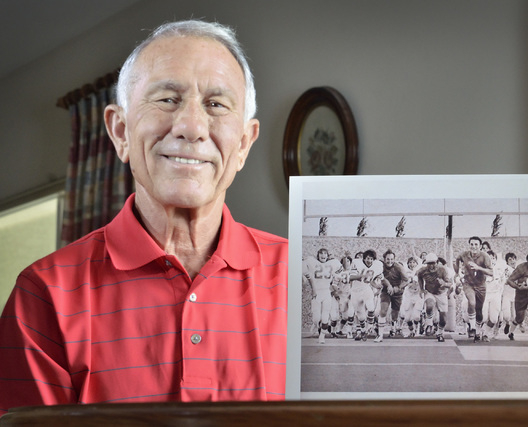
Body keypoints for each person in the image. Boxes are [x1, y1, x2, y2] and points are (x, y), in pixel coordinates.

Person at [0, 20, 288, 414]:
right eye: (168, 99)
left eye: (216, 104)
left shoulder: (303, 277)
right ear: (120, 132)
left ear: (243, 144)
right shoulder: (43, 296)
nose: (191, 127)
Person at [454, 236, 493, 341]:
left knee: (479, 310)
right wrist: (456, 273)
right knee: (472, 302)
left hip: (481, 285)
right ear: (469, 245)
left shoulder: (485, 256)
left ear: (480, 246)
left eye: (476, 244)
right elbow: (457, 259)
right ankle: (472, 327)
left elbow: (491, 272)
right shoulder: (464, 254)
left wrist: (478, 268)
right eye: (472, 244)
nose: (474, 246)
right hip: (468, 284)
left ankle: (478, 329)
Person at [302, 249, 342, 344]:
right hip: (317, 292)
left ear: (328, 255)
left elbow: (340, 272)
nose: (323, 255)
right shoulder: (312, 262)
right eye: (321, 253)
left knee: (325, 316)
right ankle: (316, 325)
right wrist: (313, 289)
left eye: (325, 253)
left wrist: (335, 284)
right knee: (316, 318)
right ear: (318, 255)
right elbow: (306, 272)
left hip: (326, 292)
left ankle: (322, 336)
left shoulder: (332, 263)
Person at [416, 253, 452, 342]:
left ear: (437, 262)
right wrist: (421, 289)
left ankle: (439, 332)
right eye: (429, 264)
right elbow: (419, 277)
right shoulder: (422, 270)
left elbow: (450, 284)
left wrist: (443, 284)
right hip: (430, 292)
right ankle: (429, 323)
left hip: (441, 293)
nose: (431, 266)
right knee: (429, 305)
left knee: (443, 319)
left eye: (433, 263)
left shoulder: (443, 270)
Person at [349, 249, 384, 341]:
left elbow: (370, 280)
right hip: (355, 292)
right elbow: (350, 277)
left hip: (366, 289)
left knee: (371, 307)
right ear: (364, 259)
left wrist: (376, 286)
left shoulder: (377, 266)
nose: (370, 261)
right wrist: (360, 276)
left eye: (371, 259)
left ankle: (370, 326)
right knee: (361, 316)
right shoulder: (356, 263)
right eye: (368, 258)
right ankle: (363, 330)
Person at [376, 249, 411, 342]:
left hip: (397, 292)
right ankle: (380, 334)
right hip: (385, 290)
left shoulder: (399, 267)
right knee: (383, 311)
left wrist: (398, 287)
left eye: (392, 259)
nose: (390, 261)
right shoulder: (381, 266)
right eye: (388, 259)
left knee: (395, 313)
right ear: (384, 259)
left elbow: (407, 280)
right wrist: (381, 286)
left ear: (394, 259)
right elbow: (379, 277)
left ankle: (393, 328)